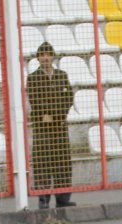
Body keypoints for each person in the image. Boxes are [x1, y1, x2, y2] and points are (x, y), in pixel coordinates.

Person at [26, 41, 75, 209]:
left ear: (53, 56)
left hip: (59, 125)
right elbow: (35, 99)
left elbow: (69, 97)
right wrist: (47, 114)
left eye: (48, 54)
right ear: (38, 58)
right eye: (42, 55)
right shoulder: (32, 77)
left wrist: (58, 115)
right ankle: (43, 198)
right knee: (42, 161)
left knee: (62, 161)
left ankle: (63, 198)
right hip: (42, 126)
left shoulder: (62, 75)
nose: (46, 58)